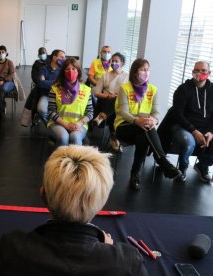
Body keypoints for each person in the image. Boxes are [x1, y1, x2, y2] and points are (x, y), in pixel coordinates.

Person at [0, 145, 148, 276]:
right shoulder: (128, 260)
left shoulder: (12, 247)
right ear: (102, 202)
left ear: (43, 194)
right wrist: (112, 252)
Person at [114, 58, 181, 190]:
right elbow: (123, 112)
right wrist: (137, 121)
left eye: (147, 70)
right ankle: (162, 160)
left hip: (143, 128)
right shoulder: (125, 88)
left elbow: (156, 112)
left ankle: (135, 174)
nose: (146, 72)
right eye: (143, 69)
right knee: (145, 130)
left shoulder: (152, 89)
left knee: (142, 139)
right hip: (125, 125)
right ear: (135, 72)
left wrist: (154, 120)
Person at [158, 61, 213, 183]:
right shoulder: (183, 89)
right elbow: (177, 114)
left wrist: (211, 132)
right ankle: (182, 168)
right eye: (196, 70)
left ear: (209, 73)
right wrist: (193, 131)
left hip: (205, 128)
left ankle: (203, 166)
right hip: (184, 127)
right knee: (188, 141)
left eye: (203, 70)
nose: (199, 73)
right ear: (192, 72)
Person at [47, 57, 93, 146]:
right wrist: (66, 125)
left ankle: (76, 159)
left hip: (79, 124)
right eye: (67, 69)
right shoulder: (55, 88)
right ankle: (62, 159)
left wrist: (80, 123)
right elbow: (51, 111)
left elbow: (90, 112)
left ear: (78, 71)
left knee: (75, 137)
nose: (70, 71)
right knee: (63, 137)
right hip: (58, 123)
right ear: (63, 72)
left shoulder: (86, 90)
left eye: (73, 69)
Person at [91, 52, 129, 151]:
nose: (113, 63)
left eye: (116, 61)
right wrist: (107, 96)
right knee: (114, 105)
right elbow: (96, 92)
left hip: (120, 104)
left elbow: (129, 94)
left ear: (122, 63)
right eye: (112, 61)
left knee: (116, 101)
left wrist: (117, 96)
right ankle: (114, 138)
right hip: (105, 102)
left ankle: (100, 117)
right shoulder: (106, 75)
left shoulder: (127, 77)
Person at [20, 47, 48, 126]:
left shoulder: (50, 62)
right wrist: (42, 83)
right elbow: (34, 77)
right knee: (35, 96)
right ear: (38, 54)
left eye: (44, 52)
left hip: (48, 86)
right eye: (41, 53)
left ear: (47, 53)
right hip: (40, 85)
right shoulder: (36, 64)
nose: (43, 54)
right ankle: (36, 114)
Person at [37, 49, 66, 122]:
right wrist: (57, 83)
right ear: (54, 58)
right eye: (61, 57)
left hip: (60, 96)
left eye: (64, 58)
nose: (64, 59)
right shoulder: (43, 69)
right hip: (46, 96)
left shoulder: (63, 70)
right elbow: (41, 83)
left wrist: (47, 82)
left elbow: (64, 83)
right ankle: (50, 124)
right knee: (41, 110)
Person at [0, 45, 15, 115]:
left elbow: (11, 74)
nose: (1, 54)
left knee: (3, 89)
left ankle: (0, 106)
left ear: (6, 53)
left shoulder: (9, 62)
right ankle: (0, 106)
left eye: (3, 52)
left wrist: (4, 80)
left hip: (8, 81)